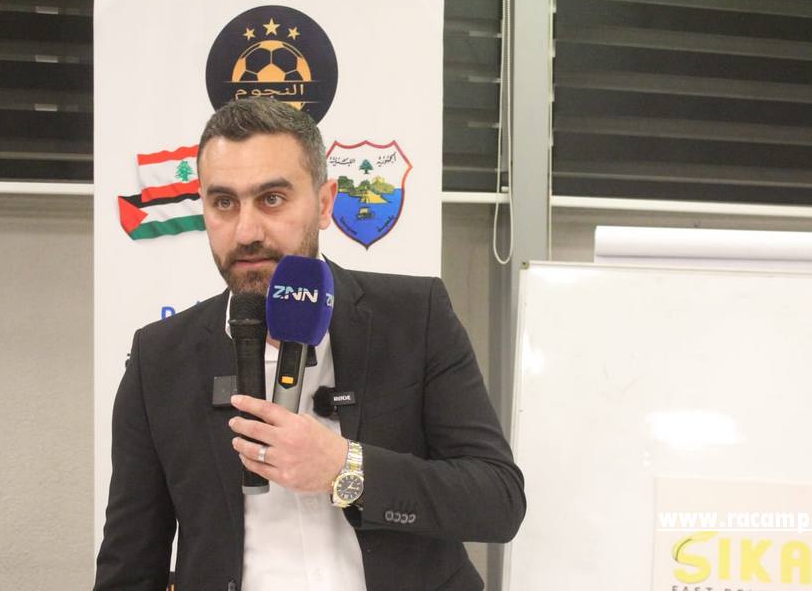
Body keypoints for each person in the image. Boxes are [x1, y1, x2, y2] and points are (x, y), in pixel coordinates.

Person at [94, 98, 525, 591]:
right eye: (224, 203)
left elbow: (498, 501)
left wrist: (345, 468)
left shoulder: (414, 316)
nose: (247, 231)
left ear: (323, 204)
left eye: (272, 199)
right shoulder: (159, 359)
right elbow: (130, 565)